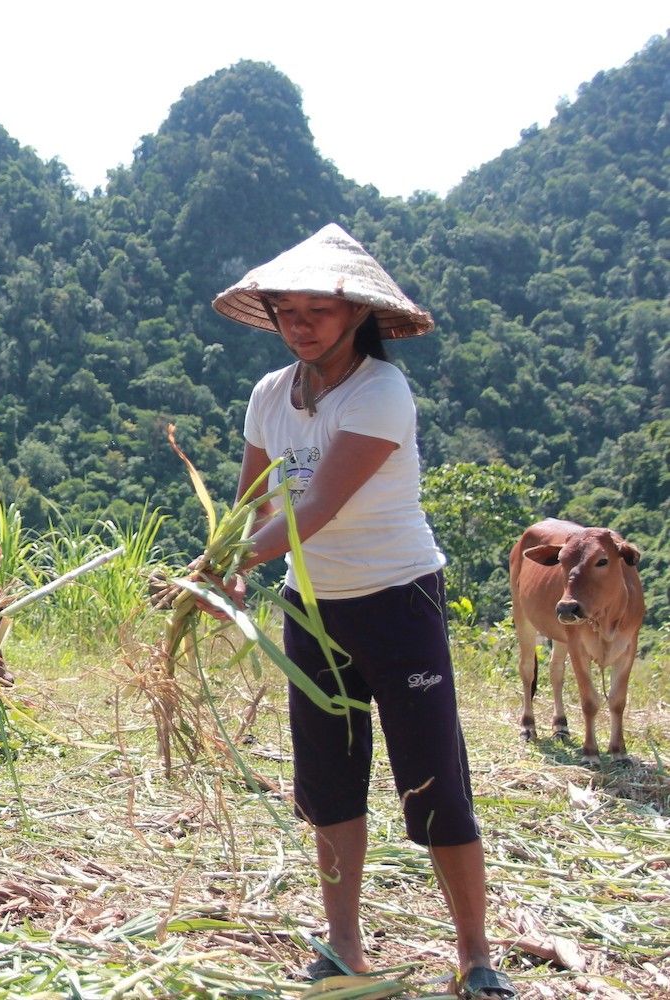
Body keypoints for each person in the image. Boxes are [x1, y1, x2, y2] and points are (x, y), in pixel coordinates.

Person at [205, 224, 516, 1000]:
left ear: (356, 316)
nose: (302, 323)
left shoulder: (381, 390)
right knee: (328, 783)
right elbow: (254, 503)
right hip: (311, 612)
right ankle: (343, 947)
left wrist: (235, 560)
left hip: (397, 601)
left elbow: (315, 511)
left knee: (434, 781)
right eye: (289, 310)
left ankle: (475, 955)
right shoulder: (270, 395)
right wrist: (223, 564)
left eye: (320, 308)